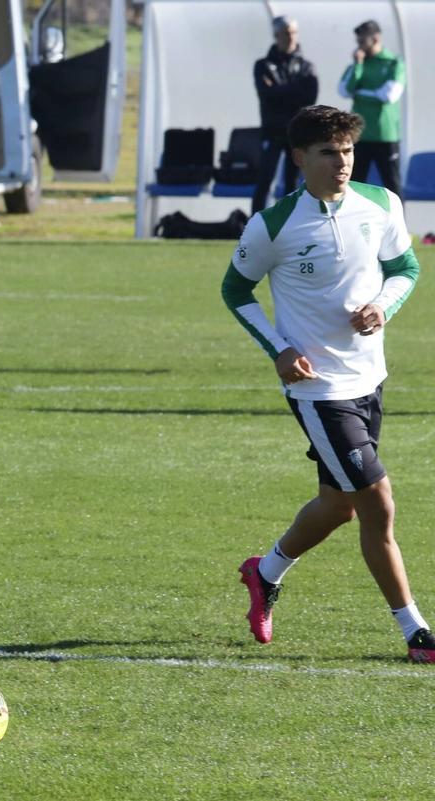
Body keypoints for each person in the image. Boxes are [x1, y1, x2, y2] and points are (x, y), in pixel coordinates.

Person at [221, 105, 431, 663]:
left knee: (338, 506)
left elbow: (406, 270)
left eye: (347, 151)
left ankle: (264, 573)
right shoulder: (272, 224)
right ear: (299, 158)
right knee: (377, 505)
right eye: (328, 153)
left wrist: (383, 307)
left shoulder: (382, 204)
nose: (342, 163)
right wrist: (279, 349)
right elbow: (235, 291)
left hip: (370, 376)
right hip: (318, 389)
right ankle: (416, 632)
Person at [251, 16, 317, 213]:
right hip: (272, 131)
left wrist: (280, 89)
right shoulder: (262, 65)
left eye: (294, 32)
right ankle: (255, 227)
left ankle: (289, 225)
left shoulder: (306, 67)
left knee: (291, 182)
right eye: (287, 33)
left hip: (296, 133)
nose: (291, 37)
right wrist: (294, 90)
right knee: (264, 180)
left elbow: (309, 97)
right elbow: (266, 94)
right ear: (276, 35)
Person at [338, 20, 405, 197]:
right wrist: (357, 65)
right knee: (354, 184)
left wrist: (359, 92)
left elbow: (389, 95)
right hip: (360, 135)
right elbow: (344, 90)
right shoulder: (358, 63)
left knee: (392, 185)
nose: (359, 46)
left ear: (375, 39)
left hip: (385, 136)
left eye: (362, 41)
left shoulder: (393, 63)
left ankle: (399, 224)